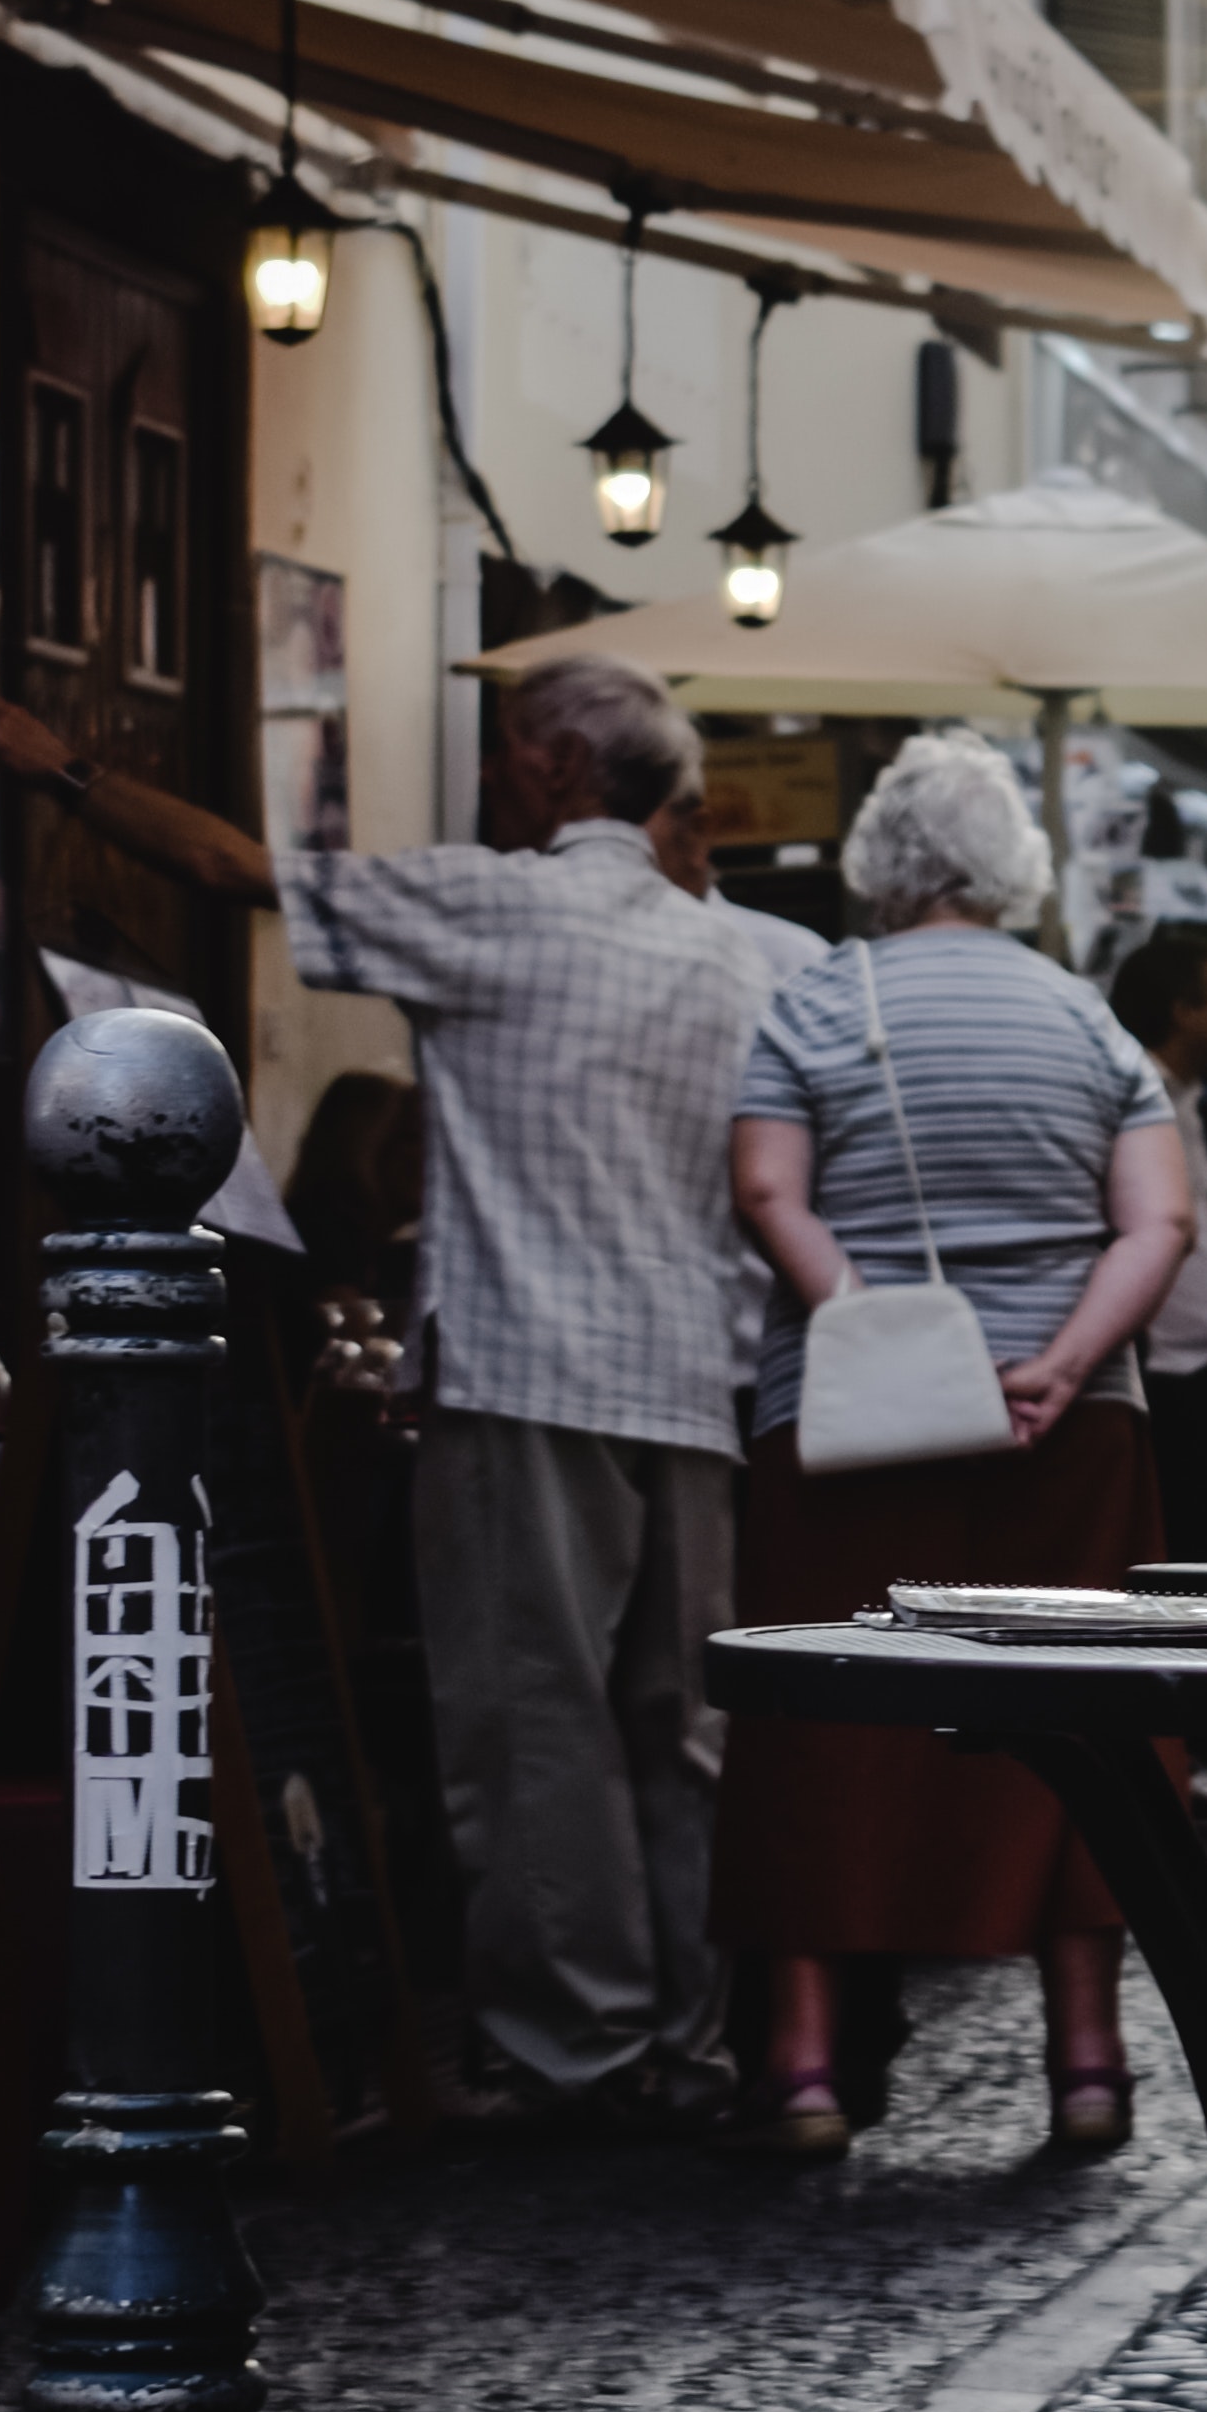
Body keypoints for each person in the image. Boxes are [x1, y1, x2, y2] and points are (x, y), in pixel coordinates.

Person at [275, 655, 789, 2134]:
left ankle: (580, 2043)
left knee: (530, 1714)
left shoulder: (501, 904)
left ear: (561, 768)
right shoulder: (734, 953)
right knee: (680, 1726)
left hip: (528, 1370)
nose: (496, 775)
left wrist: (58, 773)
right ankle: (690, 2034)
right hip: (694, 1377)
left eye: (510, 753)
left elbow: (260, 878)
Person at [720, 730, 1192, 2166]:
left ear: (878, 861)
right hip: (1074, 1431)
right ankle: (1088, 2057)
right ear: (1012, 868)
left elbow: (764, 1187)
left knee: (821, 1727)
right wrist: (1052, 1363)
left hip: (852, 1426)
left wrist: (884, 1338)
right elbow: (1158, 1223)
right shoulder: (1088, 1019)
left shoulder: (812, 1002)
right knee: (1078, 1726)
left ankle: (804, 2070)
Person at [1108, 915, 1207, 1568]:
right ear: (1183, 1011)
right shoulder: (1137, 1093)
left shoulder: (1183, 1094)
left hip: (1206, 1367)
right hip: (1168, 1379)